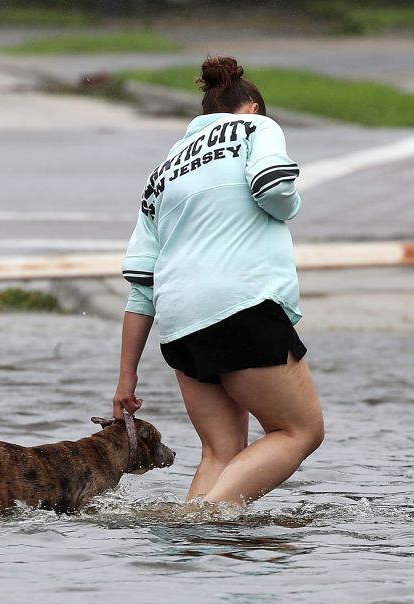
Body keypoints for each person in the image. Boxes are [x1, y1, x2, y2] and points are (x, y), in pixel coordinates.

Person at [112, 56, 325, 505]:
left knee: (220, 451)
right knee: (299, 431)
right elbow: (272, 185)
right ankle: (208, 517)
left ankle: (197, 547)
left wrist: (125, 378)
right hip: (241, 304)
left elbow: (141, 285)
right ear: (250, 108)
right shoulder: (257, 128)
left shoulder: (163, 170)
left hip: (178, 322)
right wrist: (288, 207)